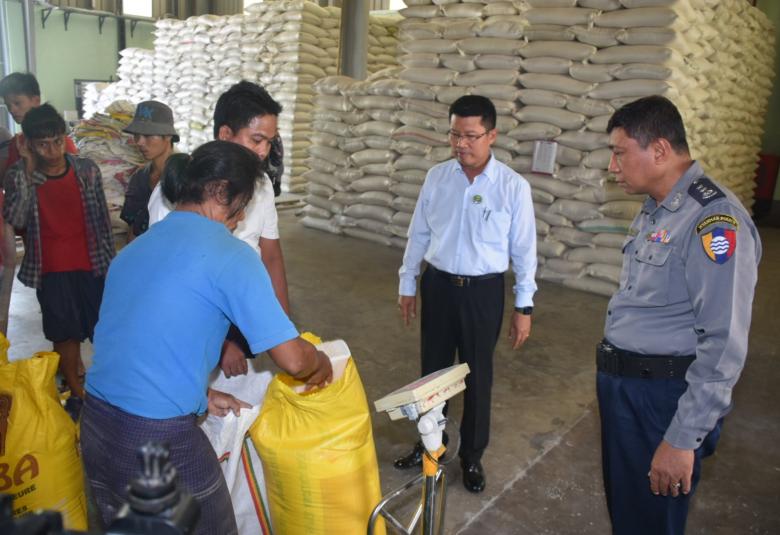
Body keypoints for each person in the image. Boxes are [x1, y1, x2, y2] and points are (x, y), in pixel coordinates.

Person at [81, 140, 332, 535]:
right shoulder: (230, 255)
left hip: (96, 427)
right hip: (157, 439)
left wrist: (202, 395)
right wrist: (320, 361)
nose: (243, 215)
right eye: (242, 203)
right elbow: (293, 360)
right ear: (220, 191)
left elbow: (138, 346)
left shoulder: (136, 247)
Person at [598, 95, 762, 534]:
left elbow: (724, 342)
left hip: (663, 399)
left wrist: (682, 438)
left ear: (659, 150)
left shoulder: (713, 220)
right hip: (628, 389)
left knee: (651, 521)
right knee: (629, 513)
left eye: (619, 153)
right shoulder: (658, 208)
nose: (612, 167)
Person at [395, 95, 537, 493]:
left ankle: (472, 456)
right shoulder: (437, 178)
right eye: (455, 134)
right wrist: (408, 282)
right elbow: (419, 234)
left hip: (483, 293)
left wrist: (523, 306)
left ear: (492, 135)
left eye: (471, 136)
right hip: (439, 286)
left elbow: (525, 252)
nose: (461, 144)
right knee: (433, 373)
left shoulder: (512, 187)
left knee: (477, 376)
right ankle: (430, 445)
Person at [149, 81, 290, 378]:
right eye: (256, 140)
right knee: (197, 392)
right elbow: (165, 284)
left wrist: (283, 329)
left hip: (244, 312)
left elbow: (271, 256)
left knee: (244, 397)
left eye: (270, 142)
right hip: (193, 320)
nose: (263, 151)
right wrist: (223, 344)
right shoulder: (181, 189)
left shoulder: (262, 186)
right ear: (225, 134)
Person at [2, 103, 115, 414]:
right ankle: (76, 393)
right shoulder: (19, 175)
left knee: (104, 330)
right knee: (64, 335)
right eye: (42, 144)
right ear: (28, 144)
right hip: (51, 270)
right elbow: (16, 217)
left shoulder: (86, 170)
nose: (52, 151)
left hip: (92, 264)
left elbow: (103, 222)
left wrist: (111, 266)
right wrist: (28, 170)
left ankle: (107, 388)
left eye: (56, 141)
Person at [0, 72, 78, 178]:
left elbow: (70, 180)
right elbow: (9, 181)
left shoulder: (59, 142)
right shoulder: (16, 142)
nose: (12, 110)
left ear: (36, 101)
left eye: (17, 103)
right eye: (8, 105)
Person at [119, 101, 178, 242]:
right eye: (137, 135)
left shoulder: (185, 176)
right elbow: (132, 229)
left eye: (148, 135)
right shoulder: (139, 178)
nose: (139, 142)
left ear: (168, 136)